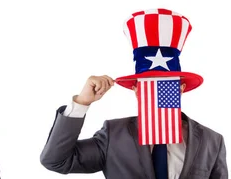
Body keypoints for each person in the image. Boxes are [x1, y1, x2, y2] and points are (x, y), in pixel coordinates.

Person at [39, 8, 227, 179]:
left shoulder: (211, 141)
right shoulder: (114, 135)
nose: (156, 92)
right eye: (147, 85)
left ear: (181, 88)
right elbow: (56, 161)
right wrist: (81, 103)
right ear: (136, 90)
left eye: (165, 85)